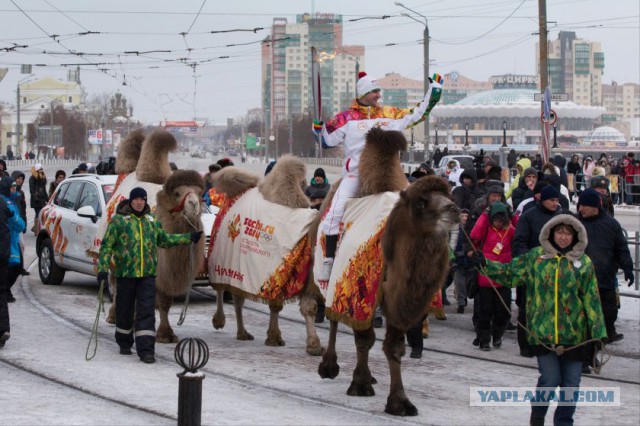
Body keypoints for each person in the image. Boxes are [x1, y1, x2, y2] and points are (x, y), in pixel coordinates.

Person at [473, 213, 606, 426]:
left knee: (571, 385)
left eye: (568, 233)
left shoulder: (584, 263)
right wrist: (485, 264)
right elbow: (510, 273)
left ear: (576, 236)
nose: (563, 237)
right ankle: (538, 418)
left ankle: (564, 422)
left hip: (575, 335)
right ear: (551, 233)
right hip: (543, 333)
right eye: (560, 232)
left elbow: (592, 299)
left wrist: (598, 334)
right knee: (550, 380)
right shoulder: (536, 257)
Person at [312, 71, 442, 284]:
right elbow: (327, 141)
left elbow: (416, 114)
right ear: (363, 93)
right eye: (374, 91)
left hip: (386, 172)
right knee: (332, 217)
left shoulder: (389, 114)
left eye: (378, 90)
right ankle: (328, 261)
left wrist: (433, 94)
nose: (378, 95)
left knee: (411, 206)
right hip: (355, 174)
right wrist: (318, 130)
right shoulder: (346, 118)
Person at [97, 187, 203, 363]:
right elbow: (107, 246)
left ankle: (146, 350)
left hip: (147, 275)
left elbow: (164, 240)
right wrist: (102, 269)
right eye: (136, 199)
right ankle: (124, 342)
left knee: (147, 312)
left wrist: (188, 238)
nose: (139, 202)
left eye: (142, 199)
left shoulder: (151, 221)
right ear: (131, 201)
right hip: (126, 274)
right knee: (125, 310)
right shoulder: (119, 221)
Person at [577, 188, 634, 344]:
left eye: (584, 205)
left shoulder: (611, 224)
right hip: (581, 281)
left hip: (605, 278)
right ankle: (588, 352)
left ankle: (605, 336)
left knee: (609, 312)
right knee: (585, 318)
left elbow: (621, 248)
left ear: (595, 206)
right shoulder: (575, 224)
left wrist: (627, 268)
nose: (580, 208)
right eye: (580, 205)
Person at [511, 185, 562, 357]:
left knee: (550, 309)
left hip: (555, 272)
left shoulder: (560, 217)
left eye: (557, 200)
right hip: (532, 270)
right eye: (552, 200)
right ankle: (525, 345)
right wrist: (529, 260)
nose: (555, 203)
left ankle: (546, 342)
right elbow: (519, 241)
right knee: (527, 308)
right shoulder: (529, 216)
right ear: (543, 200)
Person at [470, 202, 514, 351]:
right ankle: (484, 339)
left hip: (504, 277)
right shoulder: (486, 229)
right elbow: (474, 234)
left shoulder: (510, 230)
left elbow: (521, 231)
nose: (499, 223)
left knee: (503, 312)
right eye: (496, 219)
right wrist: (484, 214)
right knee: (485, 311)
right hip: (486, 278)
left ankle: (497, 335)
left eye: (502, 220)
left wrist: (513, 215)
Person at [0, 178, 26, 304]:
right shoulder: (6, 202)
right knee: (13, 267)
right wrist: (19, 221)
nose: (14, 189)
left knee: (15, 267)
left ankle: (5, 290)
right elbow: (18, 223)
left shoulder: (11, 200)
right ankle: (4, 290)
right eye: (12, 187)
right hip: (7, 239)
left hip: (12, 239)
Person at [0, 189, 13, 348]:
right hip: (3, 253)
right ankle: (3, 329)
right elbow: (10, 214)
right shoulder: (2, 202)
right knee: (1, 291)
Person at [10, 171, 29, 277]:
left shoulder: (21, 193)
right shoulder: (8, 192)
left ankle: (20, 266)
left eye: (21, 179)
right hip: (11, 222)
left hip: (19, 223)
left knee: (21, 245)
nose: (19, 180)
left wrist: (24, 222)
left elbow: (23, 209)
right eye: (18, 178)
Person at [28, 164, 48, 233]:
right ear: (37, 170)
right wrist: (35, 198)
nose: (41, 170)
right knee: (38, 213)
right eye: (40, 169)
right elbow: (31, 189)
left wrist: (47, 199)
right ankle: (36, 230)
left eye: (42, 169)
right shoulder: (32, 178)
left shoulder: (43, 178)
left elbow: (44, 190)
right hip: (35, 200)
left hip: (42, 199)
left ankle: (36, 227)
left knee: (42, 213)